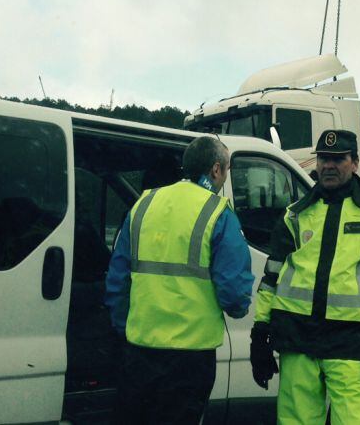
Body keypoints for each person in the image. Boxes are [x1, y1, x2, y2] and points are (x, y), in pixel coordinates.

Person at [250, 129, 360, 424]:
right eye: (323, 158)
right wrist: (260, 331)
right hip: (297, 338)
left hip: (352, 343)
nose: (328, 165)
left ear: (355, 163)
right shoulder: (294, 214)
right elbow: (271, 277)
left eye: (338, 158)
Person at [105, 137, 253, 424]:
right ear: (215, 170)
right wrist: (239, 309)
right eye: (226, 170)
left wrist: (126, 327)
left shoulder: (143, 204)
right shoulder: (218, 212)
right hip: (190, 359)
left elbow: (117, 278)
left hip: (139, 351)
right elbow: (234, 294)